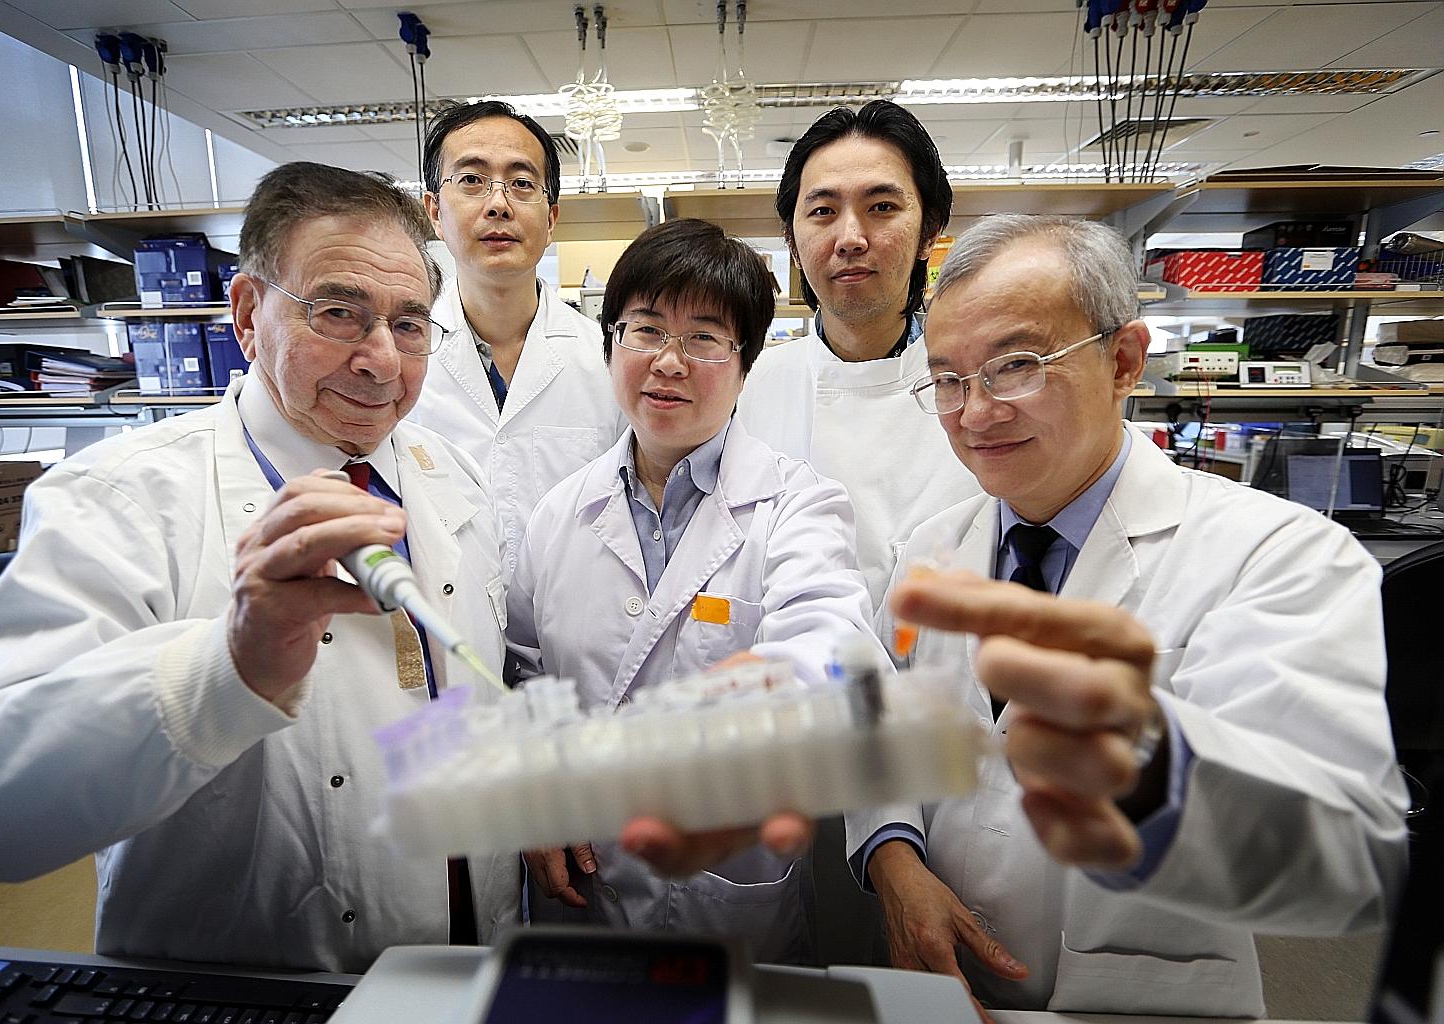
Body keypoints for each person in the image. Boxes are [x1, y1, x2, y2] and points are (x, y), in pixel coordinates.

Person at [0, 163, 523, 971]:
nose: (382, 361)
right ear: (245, 314)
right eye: (339, 313)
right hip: (247, 981)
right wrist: (226, 668)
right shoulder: (120, 499)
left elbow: (465, 693)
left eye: (409, 325)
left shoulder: (451, 476)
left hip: (465, 968)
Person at [848, 214, 1409, 1017]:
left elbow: (1338, 861)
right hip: (941, 987)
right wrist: (895, 860)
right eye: (947, 379)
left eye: (1016, 365)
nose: (974, 414)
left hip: (1136, 998)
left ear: (1123, 360)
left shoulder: (1281, 555)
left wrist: (1155, 767)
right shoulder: (931, 550)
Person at [505, 218, 883, 964]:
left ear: (746, 366)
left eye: (705, 338)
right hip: (587, 888)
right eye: (644, 330)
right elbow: (523, 671)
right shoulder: (559, 512)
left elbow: (826, 645)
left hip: (733, 890)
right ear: (611, 343)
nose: (668, 363)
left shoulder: (795, 504)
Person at [737, 100, 979, 606]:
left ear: (928, 234)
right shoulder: (747, 387)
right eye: (823, 211)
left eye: (882, 207)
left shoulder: (980, 391)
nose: (850, 238)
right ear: (791, 238)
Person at [412, 100, 623, 586]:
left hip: (572, 627)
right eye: (471, 180)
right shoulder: (399, 360)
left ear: (550, 218)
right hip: (446, 626)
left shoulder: (607, 359)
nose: (498, 204)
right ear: (434, 212)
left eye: (522, 183)